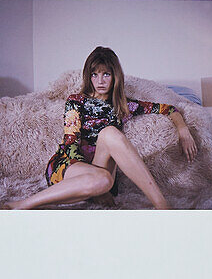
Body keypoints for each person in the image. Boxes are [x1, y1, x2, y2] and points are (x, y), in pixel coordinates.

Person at [4, 46, 198, 210]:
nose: (100, 81)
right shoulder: (77, 102)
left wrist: (182, 130)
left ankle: (162, 207)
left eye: (106, 74)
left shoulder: (124, 105)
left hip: (103, 173)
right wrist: (95, 177)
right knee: (103, 178)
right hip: (68, 166)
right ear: (88, 77)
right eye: (94, 75)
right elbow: (71, 144)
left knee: (109, 135)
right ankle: (21, 204)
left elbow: (169, 109)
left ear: (115, 76)